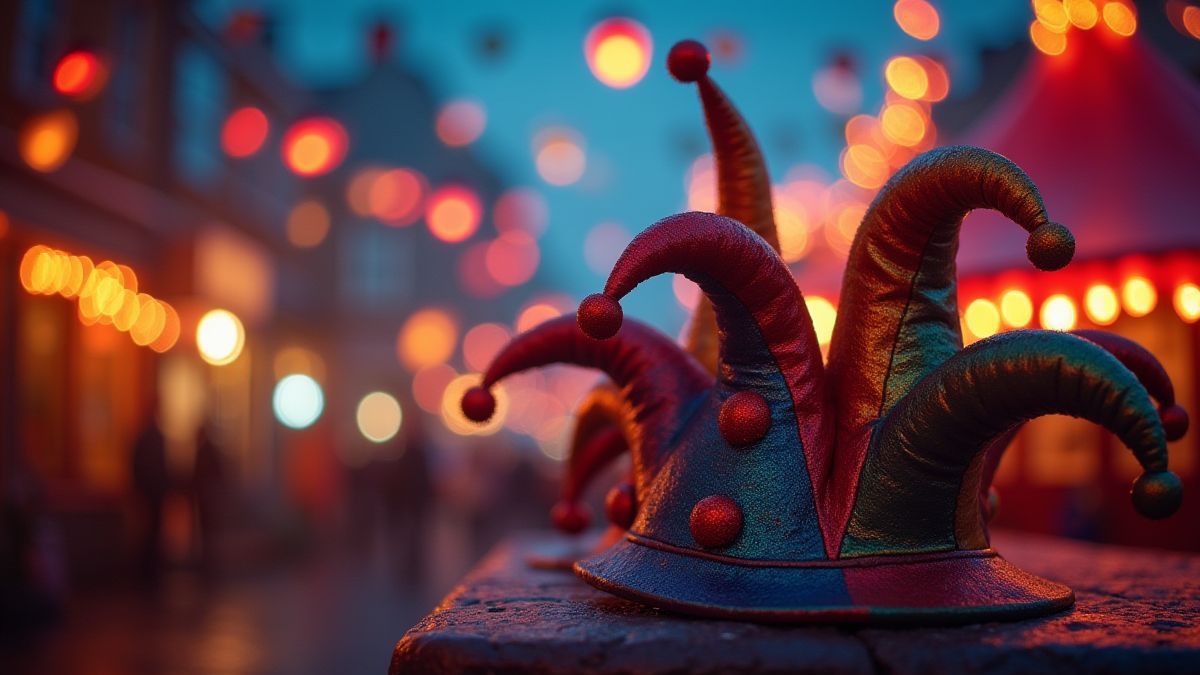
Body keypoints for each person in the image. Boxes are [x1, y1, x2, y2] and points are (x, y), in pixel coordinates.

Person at [130, 402, 169, 582]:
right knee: (150, 533)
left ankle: (148, 573)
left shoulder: (148, 437)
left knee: (151, 533)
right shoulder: (152, 437)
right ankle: (148, 573)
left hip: (151, 493)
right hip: (151, 493)